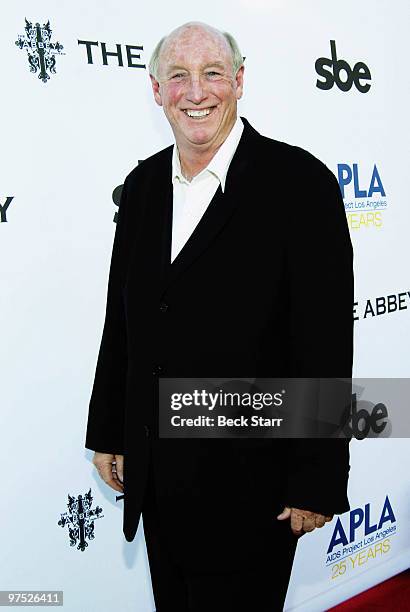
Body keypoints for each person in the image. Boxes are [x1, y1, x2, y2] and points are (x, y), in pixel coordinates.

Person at [85, 21, 354, 611]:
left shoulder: (300, 184)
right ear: (157, 91)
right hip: (158, 479)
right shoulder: (144, 184)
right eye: (178, 76)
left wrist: (316, 478)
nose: (196, 91)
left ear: (239, 81)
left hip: (253, 490)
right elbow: (123, 319)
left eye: (212, 73)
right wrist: (110, 428)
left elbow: (324, 342)